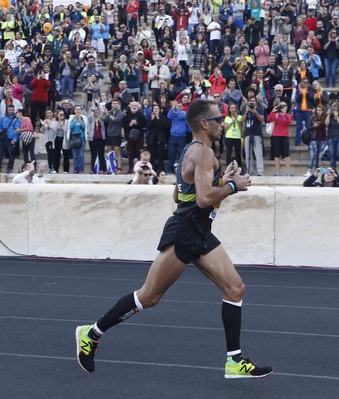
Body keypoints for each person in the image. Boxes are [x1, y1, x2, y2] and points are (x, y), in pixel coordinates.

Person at [75, 99, 273, 379]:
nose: (224, 123)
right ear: (204, 123)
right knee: (149, 296)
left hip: (199, 232)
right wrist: (231, 185)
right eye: (219, 119)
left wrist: (220, 183)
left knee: (235, 288)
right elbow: (204, 200)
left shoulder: (191, 152)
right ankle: (91, 333)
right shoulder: (203, 153)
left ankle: (235, 361)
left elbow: (181, 196)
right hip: (185, 232)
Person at [267, 101, 293, 176]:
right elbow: (269, 120)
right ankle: (277, 171)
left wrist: (284, 114)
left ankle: (288, 171)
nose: (283, 107)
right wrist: (273, 111)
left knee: (286, 154)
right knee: (277, 154)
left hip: (285, 136)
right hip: (276, 135)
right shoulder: (276, 115)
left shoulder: (288, 115)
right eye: (281, 106)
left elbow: (288, 122)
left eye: (284, 106)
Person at [242, 96, 264, 177]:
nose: (252, 102)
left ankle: (260, 171)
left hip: (256, 133)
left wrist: (255, 113)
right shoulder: (246, 111)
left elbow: (262, 119)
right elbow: (242, 120)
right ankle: (249, 171)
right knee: (248, 153)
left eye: (253, 101)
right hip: (248, 133)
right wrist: (247, 112)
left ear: (256, 102)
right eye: (250, 101)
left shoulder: (259, 110)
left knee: (258, 153)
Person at [325, 102, 339, 177]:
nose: (335, 110)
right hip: (331, 137)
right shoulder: (330, 117)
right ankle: (332, 170)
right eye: (334, 108)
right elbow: (326, 123)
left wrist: (337, 116)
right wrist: (328, 114)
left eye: (336, 109)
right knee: (332, 155)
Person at [223, 103, 243, 171]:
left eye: (234, 108)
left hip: (237, 137)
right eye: (231, 108)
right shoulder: (227, 117)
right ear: (229, 109)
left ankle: (240, 168)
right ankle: (228, 169)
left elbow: (241, 127)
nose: (233, 109)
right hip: (229, 137)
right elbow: (225, 128)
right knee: (229, 153)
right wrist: (232, 121)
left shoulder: (240, 117)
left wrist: (237, 119)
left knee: (238, 153)